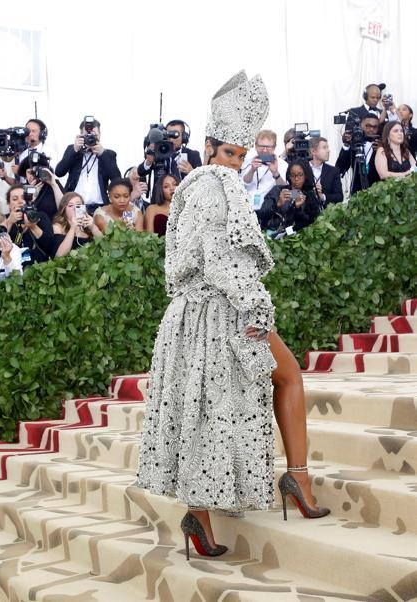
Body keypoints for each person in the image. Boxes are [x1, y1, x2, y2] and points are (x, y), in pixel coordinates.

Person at [135, 70, 328, 562]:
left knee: (203, 409)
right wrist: (257, 304)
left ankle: (199, 515)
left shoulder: (185, 190)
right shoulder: (221, 186)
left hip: (187, 316)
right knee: (288, 378)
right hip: (225, 314)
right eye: (229, 153)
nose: (235, 165)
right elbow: (224, 257)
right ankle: (297, 478)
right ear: (208, 146)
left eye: (241, 157)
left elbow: (182, 258)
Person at [54, 117, 121, 213]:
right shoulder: (73, 150)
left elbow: (117, 179)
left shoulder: (108, 154)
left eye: (94, 135)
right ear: (81, 136)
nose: (90, 138)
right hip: (75, 207)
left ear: (100, 135)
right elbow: (59, 172)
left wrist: (102, 154)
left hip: (99, 207)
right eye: (87, 135)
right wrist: (75, 150)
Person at [257, 160, 322, 234]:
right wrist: (278, 204)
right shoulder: (278, 190)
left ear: (306, 176)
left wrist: (296, 208)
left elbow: (309, 222)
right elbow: (262, 213)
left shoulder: (309, 196)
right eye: (293, 175)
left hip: (296, 238)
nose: (296, 179)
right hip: (271, 234)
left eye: (300, 175)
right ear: (289, 176)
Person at [3, 184, 56, 264]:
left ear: (30, 199)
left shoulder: (40, 216)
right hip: (13, 268)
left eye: (24, 197)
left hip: (39, 266)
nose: (20, 201)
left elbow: (50, 246)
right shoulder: (4, 219)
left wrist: (33, 226)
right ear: (9, 204)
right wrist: (9, 222)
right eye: (15, 199)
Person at [239, 130, 288, 208]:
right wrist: (252, 170)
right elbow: (243, 184)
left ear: (274, 147)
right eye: (261, 146)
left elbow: (284, 189)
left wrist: (275, 173)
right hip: (248, 207)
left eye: (268, 147)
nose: (264, 150)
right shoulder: (247, 161)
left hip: (270, 209)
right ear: (256, 146)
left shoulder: (283, 165)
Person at [335, 115, 381, 196]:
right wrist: (346, 146)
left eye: (375, 127)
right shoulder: (353, 145)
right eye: (368, 126)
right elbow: (339, 169)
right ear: (360, 126)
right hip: (357, 194)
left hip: (378, 194)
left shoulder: (382, 145)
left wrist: (382, 151)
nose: (371, 129)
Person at [0, 118, 48, 186]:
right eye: (28, 131)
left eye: (33, 131)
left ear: (42, 134)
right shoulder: (22, 153)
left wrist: (21, 172)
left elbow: (47, 177)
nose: (29, 134)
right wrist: (5, 177)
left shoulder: (48, 151)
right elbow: (18, 184)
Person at [51, 192, 102, 257]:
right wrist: (73, 228)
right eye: (70, 205)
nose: (75, 208)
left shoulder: (89, 222)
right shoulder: (58, 226)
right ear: (64, 210)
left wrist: (93, 227)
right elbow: (59, 256)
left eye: (78, 205)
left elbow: (104, 246)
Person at [308, 137, 343, 207]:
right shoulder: (301, 169)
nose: (328, 151)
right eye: (324, 147)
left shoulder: (334, 171)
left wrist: (323, 196)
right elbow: (293, 192)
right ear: (313, 151)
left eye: (327, 147)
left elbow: (340, 197)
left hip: (326, 214)